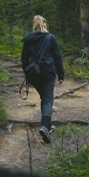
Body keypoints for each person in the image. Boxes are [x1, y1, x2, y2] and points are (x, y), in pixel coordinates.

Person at [21, 15, 64, 143]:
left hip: (34, 73)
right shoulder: (50, 38)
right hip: (47, 72)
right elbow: (57, 56)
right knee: (48, 100)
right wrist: (61, 75)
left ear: (34, 25)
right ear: (44, 25)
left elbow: (24, 60)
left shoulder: (28, 39)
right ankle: (45, 126)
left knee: (44, 98)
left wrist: (28, 75)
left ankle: (48, 127)